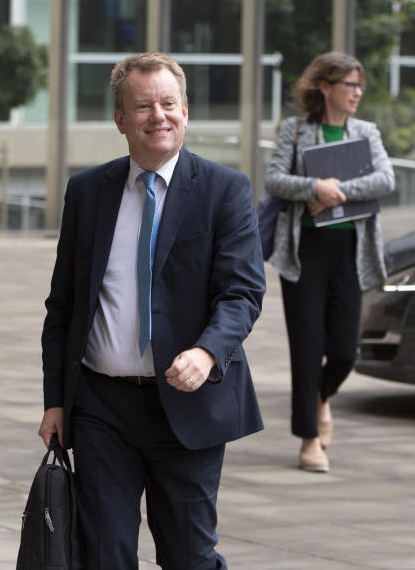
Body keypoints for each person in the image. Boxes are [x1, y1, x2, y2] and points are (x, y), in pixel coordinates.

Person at [38, 52, 265, 568]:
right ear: (120, 119)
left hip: (188, 406)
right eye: (143, 106)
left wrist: (207, 353)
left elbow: (242, 292)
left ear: (186, 111)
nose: (157, 115)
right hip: (102, 407)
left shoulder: (225, 191)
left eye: (168, 103)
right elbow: (63, 307)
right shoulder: (88, 191)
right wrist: (57, 401)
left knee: (189, 555)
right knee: (103, 555)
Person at [264, 51, 395, 473]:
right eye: (349, 85)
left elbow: (385, 179)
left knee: (343, 351)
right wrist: (313, 186)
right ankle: (309, 438)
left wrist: (334, 190)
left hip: (349, 252)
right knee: (307, 348)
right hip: (304, 253)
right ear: (325, 87)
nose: (357, 93)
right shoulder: (297, 130)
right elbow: (274, 179)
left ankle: (321, 397)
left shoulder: (366, 131)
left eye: (360, 86)